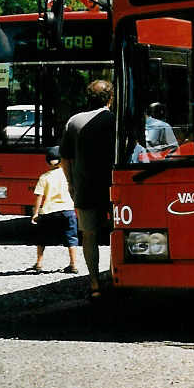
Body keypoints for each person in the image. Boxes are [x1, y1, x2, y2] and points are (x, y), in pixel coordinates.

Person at [60, 79, 115, 301]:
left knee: (89, 235)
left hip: (85, 188)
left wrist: (71, 183)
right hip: (115, 187)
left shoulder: (74, 121)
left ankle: (94, 283)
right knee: (118, 232)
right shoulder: (114, 120)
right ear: (111, 98)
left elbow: (65, 158)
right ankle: (115, 274)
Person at [29, 146, 78, 274]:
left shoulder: (44, 177)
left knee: (42, 238)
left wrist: (35, 213)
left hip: (49, 212)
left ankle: (39, 264)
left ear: (47, 162)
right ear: (62, 161)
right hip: (68, 210)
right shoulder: (68, 175)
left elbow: (39, 196)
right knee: (71, 238)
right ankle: (73, 264)